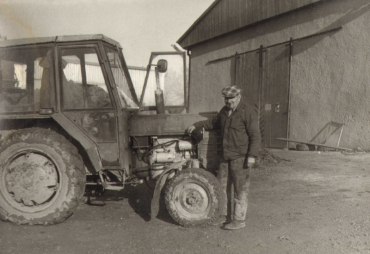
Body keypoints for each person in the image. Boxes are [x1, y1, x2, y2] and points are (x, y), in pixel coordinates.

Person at [187, 85, 261, 230]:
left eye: (231, 99)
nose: (228, 101)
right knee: (221, 187)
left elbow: (255, 136)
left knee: (240, 189)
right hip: (224, 157)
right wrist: (196, 125)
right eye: (226, 99)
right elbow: (212, 123)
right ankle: (222, 216)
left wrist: (252, 155)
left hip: (240, 157)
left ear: (238, 97)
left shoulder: (248, 112)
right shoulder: (224, 111)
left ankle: (239, 220)